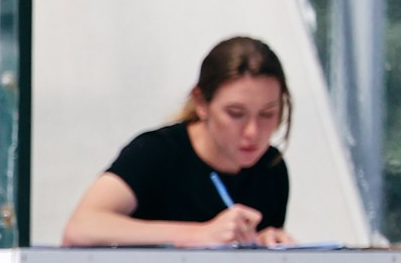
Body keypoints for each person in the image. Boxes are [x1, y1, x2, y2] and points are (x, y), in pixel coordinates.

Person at [61, 36, 295, 247]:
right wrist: (198, 234)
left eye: (267, 114)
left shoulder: (270, 167)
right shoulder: (158, 153)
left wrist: (264, 242)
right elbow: (81, 227)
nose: (252, 132)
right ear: (201, 103)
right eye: (235, 113)